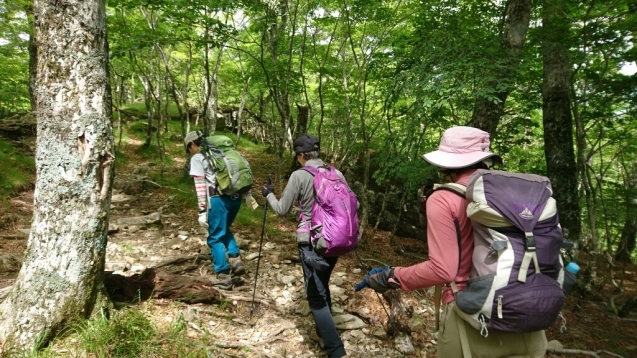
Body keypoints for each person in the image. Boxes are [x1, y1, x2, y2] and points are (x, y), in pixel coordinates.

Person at [358, 126, 547, 358]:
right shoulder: (513, 195)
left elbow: (443, 270)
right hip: (528, 317)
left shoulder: (442, 198)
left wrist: (392, 275)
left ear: (446, 164)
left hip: (471, 318)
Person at [261, 134, 348, 358]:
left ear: (301, 155)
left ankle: (335, 350)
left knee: (315, 295)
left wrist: (269, 194)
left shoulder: (299, 175)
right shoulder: (335, 173)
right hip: (335, 239)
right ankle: (322, 331)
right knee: (322, 283)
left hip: (310, 242)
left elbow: (281, 209)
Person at [185, 131, 245, 290]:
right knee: (223, 229)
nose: (189, 152)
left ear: (192, 144)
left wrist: (202, 210)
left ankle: (223, 275)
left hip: (218, 200)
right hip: (236, 198)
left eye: (188, 148)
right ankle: (235, 260)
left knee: (214, 237)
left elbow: (199, 186)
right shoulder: (224, 153)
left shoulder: (197, 158)